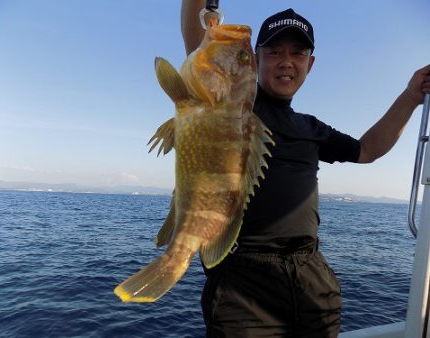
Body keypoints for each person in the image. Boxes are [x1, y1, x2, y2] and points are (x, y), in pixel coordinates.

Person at [181, 1, 430, 337]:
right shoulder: (231, 104)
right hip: (244, 284)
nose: (287, 62)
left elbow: (368, 149)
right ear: (255, 60)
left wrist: (411, 97)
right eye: (275, 52)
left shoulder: (311, 127)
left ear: (310, 64)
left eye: (297, 53)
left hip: (313, 279)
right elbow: (200, 47)